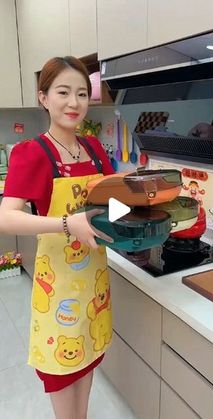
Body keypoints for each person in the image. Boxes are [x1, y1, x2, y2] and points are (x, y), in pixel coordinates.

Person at [0, 56, 115, 419]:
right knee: (62, 378)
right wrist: (67, 224)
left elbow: (112, 203)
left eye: (82, 93)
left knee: (86, 373)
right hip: (59, 291)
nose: (74, 103)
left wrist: (147, 213)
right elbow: (5, 217)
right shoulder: (31, 153)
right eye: (63, 92)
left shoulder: (95, 149)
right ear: (44, 97)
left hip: (94, 286)